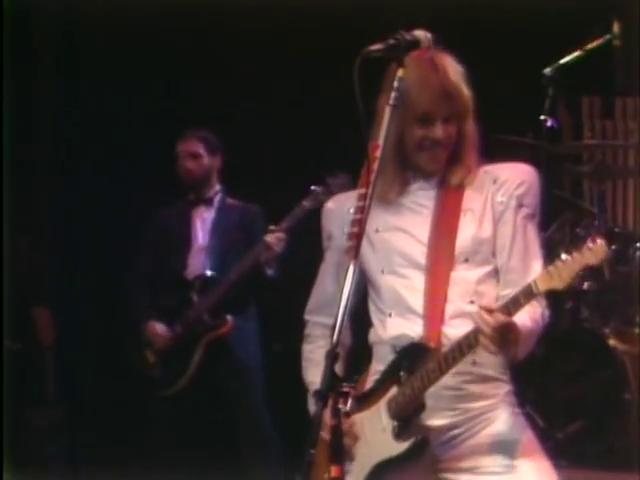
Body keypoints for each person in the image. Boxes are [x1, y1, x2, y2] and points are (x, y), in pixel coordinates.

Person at [301, 47, 559, 479]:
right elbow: (324, 325)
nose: (440, 134)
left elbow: (529, 297)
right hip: (384, 425)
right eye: (424, 121)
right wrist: (323, 405)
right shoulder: (353, 212)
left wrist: (513, 330)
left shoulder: (499, 192)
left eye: (450, 120)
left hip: (482, 417)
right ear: (396, 125)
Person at [131, 128, 286, 479]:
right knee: (185, 432)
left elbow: (266, 283)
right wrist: (149, 322)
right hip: (182, 328)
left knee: (252, 426)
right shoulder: (164, 220)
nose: (184, 165)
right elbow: (141, 280)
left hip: (233, 325)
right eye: (179, 158)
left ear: (217, 161)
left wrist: (270, 261)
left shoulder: (246, 215)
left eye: (195, 157)